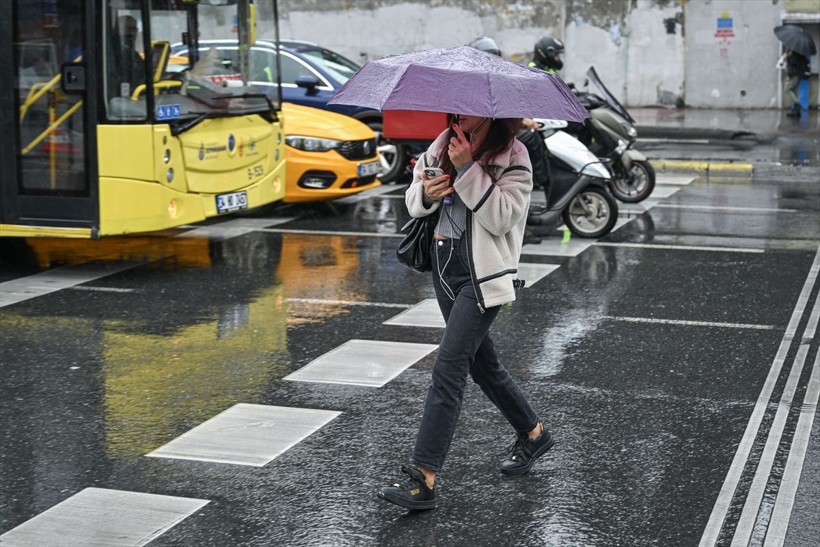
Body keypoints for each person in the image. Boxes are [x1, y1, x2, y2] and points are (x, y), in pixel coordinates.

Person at [378, 115, 553, 510]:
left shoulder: (514, 154)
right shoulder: (440, 143)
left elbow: (503, 217)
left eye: (466, 107)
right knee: (483, 366)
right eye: (453, 106)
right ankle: (534, 433)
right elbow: (412, 202)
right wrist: (427, 193)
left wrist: (468, 169)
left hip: (482, 274)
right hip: (443, 268)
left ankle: (424, 477)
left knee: (449, 367)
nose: (457, 113)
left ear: (491, 111)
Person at [782, 49, 810, 116]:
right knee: (794, 91)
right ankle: (796, 112)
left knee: (787, 89)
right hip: (793, 74)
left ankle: (797, 105)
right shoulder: (795, 52)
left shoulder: (796, 52)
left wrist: (787, 57)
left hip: (795, 75)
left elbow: (794, 63)